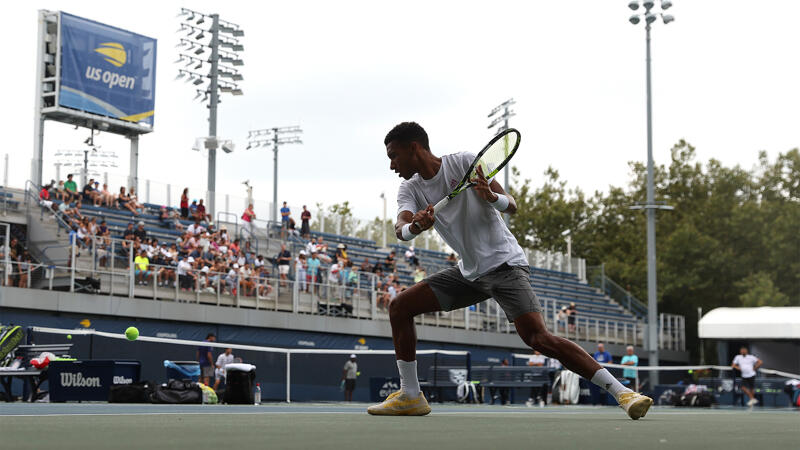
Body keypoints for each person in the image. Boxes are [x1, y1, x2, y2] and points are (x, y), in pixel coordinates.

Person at [367, 122, 651, 418]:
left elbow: (511, 205)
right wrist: (415, 226)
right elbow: (401, 229)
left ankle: (624, 393)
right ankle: (411, 395)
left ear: (414, 148)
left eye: (394, 155)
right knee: (400, 306)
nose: (391, 165)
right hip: (468, 273)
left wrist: (492, 198)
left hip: (504, 265)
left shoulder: (464, 162)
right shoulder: (410, 187)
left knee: (538, 339)